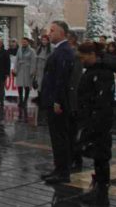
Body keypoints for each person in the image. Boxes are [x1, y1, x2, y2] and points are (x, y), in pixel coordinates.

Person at [76, 41, 116, 205]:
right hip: (95, 117)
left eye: (83, 57)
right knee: (98, 154)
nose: (82, 61)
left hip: (100, 119)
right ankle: (99, 187)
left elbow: (101, 99)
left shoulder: (102, 72)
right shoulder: (94, 69)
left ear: (92, 55)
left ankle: (101, 191)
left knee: (101, 154)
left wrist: (93, 120)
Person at [40, 21, 76, 185]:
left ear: (61, 33)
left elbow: (62, 80)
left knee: (60, 137)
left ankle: (63, 172)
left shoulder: (64, 52)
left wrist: (57, 101)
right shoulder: (59, 51)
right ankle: (59, 169)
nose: (49, 33)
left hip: (58, 103)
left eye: (52, 31)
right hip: (52, 100)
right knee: (56, 138)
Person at [67, 32, 84, 170]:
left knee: (73, 132)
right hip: (70, 98)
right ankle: (73, 157)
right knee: (71, 132)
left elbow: (75, 79)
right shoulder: (71, 54)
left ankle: (76, 158)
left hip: (74, 100)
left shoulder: (76, 56)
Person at [14, 37, 34, 122]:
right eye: (23, 42)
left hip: (27, 69)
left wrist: (32, 71)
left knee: (26, 85)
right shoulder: (19, 50)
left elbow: (33, 61)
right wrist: (15, 69)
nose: (24, 43)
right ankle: (21, 99)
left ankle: (25, 100)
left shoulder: (32, 51)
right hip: (20, 69)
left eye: (25, 42)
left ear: (28, 42)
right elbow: (16, 59)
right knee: (20, 85)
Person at [32, 34, 51, 121]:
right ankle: (40, 99)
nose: (44, 42)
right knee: (39, 86)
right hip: (39, 70)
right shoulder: (39, 49)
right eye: (42, 40)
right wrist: (35, 69)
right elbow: (35, 59)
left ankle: (44, 102)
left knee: (45, 86)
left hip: (46, 70)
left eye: (45, 40)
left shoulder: (51, 49)